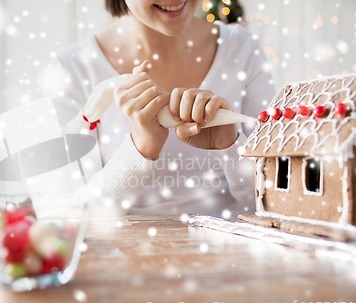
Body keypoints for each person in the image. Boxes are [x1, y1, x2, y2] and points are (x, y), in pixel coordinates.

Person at [53, 0, 276, 215]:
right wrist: (141, 146)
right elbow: (68, 215)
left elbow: (277, 199)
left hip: (232, 247)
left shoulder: (242, 48)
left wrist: (230, 146)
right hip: (122, 250)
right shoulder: (73, 68)